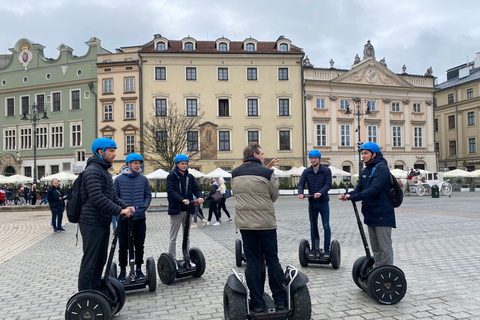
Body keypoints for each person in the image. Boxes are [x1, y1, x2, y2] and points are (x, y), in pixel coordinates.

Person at [232, 142, 286, 312]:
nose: (264, 156)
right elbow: (274, 195)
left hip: (246, 225)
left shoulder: (235, 173)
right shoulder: (267, 173)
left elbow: (236, 193)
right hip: (266, 225)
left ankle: (256, 302)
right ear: (255, 155)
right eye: (262, 154)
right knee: (272, 261)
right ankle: (279, 301)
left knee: (253, 262)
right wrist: (270, 172)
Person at [77, 137, 134, 292]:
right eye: (111, 151)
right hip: (91, 222)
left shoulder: (104, 171)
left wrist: (125, 207)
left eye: (114, 150)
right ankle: (84, 295)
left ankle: (95, 291)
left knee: (100, 260)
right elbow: (96, 197)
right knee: (90, 261)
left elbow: (112, 196)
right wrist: (119, 211)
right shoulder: (93, 171)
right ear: (100, 152)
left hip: (102, 221)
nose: (114, 154)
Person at [338, 142, 396, 267]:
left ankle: (386, 273)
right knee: (375, 247)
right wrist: (347, 196)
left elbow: (374, 190)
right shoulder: (366, 170)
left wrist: (353, 197)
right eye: (362, 153)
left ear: (374, 154)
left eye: (365, 153)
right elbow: (359, 189)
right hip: (370, 213)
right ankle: (377, 270)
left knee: (384, 247)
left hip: (382, 214)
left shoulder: (382, 168)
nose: (363, 156)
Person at [113, 153, 152, 282]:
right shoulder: (119, 180)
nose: (137, 165)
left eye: (139, 163)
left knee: (139, 245)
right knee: (123, 245)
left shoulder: (143, 179)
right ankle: (123, 270)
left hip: (139, 218)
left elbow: (148, 195)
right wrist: (123, 210)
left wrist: (144, 207)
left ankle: (139, 269)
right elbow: (115, 197)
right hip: (124, 220)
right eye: (135, 163)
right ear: (128, 164)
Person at [166, 154, 204, 269]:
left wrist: (200, 196)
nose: (184, 165)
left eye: (186, 164)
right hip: (176, 210)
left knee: (186, 236)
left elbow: (196, 188)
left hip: (188, 210)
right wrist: (182, 200)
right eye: (182, 163)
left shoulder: (190, 177)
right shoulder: (171, 176)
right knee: (173, 236)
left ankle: (186, 257)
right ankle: (172, 259)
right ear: (177, 164)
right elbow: (171, 192)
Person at [297, 150, 332, 257]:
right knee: (313, 226)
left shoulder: (326, 171)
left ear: (319, 159)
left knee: (326, 226)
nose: (313, 160)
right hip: (312, 203)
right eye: (311, 158)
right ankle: (313, 249)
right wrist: (300, 193)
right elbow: (301, 183)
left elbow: (328, 184)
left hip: (323, 202)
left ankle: (326, 249)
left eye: (315, 158)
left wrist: (320, 193)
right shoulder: (307, 171)